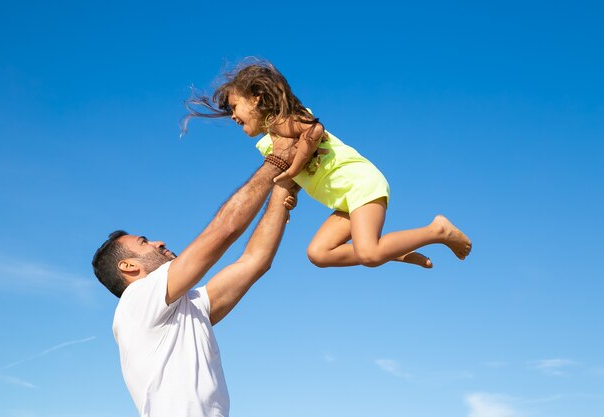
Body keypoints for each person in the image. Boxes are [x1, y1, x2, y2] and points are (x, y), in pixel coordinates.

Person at [184, 59, 472, 270]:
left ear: (257, 99)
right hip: (344, 199)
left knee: (369, 255)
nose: (232, 116)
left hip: (359, 184)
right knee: (319, 253)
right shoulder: (268, 143)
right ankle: (393, 250)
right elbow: (292, 174)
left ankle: (437, 231)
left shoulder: (284, 119)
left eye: (234, 107)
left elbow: (314, 132)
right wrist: (290, 193)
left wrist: (294, 169)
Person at [92, 143, 299, 417]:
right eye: (144, 242)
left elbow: (255, 261)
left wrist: (283, 188)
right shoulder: (136, 300)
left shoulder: (189, 306)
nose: (158, 242)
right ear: (128, 266)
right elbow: (224, 231)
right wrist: (277, 161)